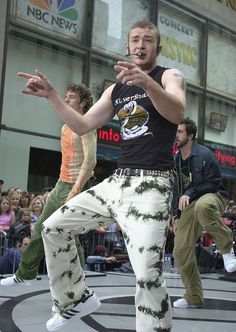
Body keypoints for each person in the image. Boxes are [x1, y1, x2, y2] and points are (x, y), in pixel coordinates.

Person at [12, 20, 186, 332]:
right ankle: (75, 299)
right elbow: (82, 125)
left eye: (148, 40)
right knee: (52, 228)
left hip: (153, 184)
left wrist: (148, 84)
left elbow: (176, 113)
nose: (141, 44)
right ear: (128, 48)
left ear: (157, 49)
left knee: (147, 274)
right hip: (117, 182)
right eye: (135, 39)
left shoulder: (169, 76)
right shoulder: (116, 89)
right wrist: (52, 95)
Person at [1, 83, 97, 286]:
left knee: (70, 236)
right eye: (67, 96)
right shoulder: (65, 126)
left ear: (83, 103)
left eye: (71, 97)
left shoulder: (86, 125)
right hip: (62, 184)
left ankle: (78, 287)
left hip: (77, 186)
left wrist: (76, 189)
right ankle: (25, 273)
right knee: (40, 229)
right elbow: (68, 160)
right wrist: (58, 186)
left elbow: (90, 161)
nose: (67, 99)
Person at [171, 117, 236, 309]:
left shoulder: (204, 154)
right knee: (180, 251)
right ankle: (193, 297)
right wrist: (175, 216)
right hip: (189, 205)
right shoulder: (175, 160)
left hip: (212, 196)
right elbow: (176, 191)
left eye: (180, 132)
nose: (176, 135)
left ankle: (227, 249)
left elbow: (213, 182)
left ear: (190, 136)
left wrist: (190, 193)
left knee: (203, 207)